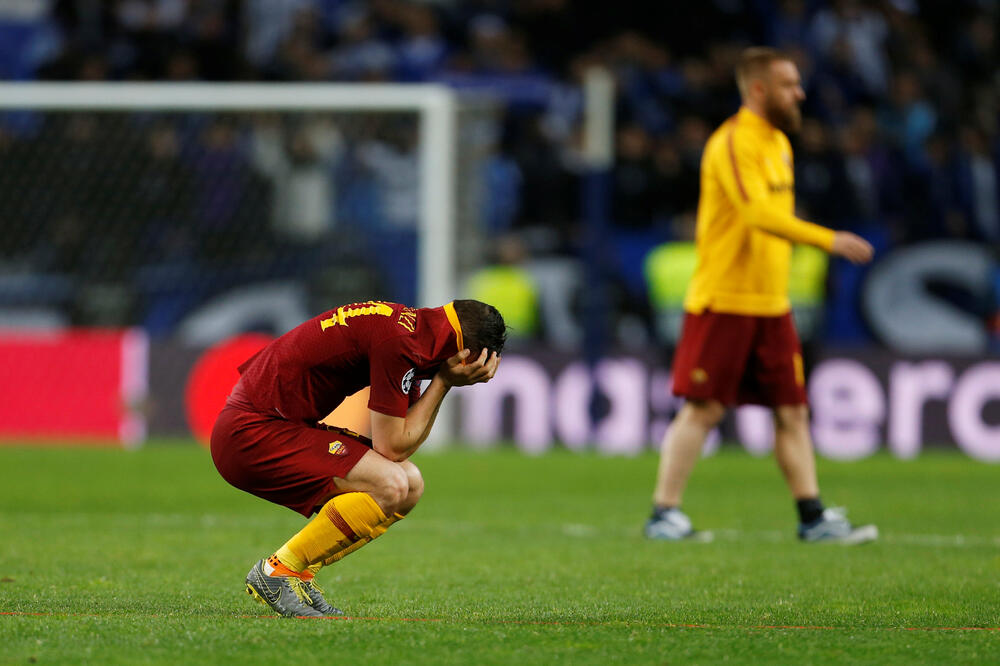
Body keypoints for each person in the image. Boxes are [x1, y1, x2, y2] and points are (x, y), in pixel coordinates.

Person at [644, 47, 878, 544]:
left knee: (793, 411)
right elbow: (756, 216)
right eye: (789, 84)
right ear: (758, 89)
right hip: (725, 300)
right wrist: (826, 238)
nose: (800, 93)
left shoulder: (779, 143)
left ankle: (812, 517)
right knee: (703, 408)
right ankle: (664, 513)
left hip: (772, 304)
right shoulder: (731, 143)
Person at [211, 299, 505, 617]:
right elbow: (393, 446)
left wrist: (441, 379)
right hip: (251, 433)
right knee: (390, 483)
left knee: (410, 484)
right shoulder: (401, 342)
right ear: (466, 356)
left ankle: (299, 574)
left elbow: (401, 439)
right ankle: (278, 571)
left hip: (276, 424)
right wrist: (444, 382)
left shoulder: (412, 331)